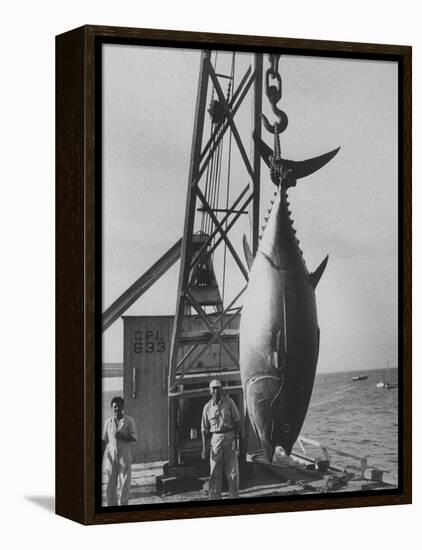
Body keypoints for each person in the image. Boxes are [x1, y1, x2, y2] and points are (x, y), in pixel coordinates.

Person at [201, 379, 241, 500]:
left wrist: (236, 438)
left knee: (233, 472)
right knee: (215, 472)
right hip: (215, 439)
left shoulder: (229, 402)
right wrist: (204, 448)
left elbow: (238, 420)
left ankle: (234, 497)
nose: (216, 390)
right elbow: (204, 429)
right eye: (213, 388)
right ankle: (214, 498)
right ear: (210, 391)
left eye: (218, 388)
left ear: (221, 389)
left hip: (230, 437)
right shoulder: (207, 407)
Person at [102, 396, 137, 506]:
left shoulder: (129, 421)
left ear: (123, 407)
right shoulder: (108, 422)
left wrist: (122, 436)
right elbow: (104, 440)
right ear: (112, 408)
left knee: (124, 486)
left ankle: (123, 507)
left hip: (124, 459)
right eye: (115, 406)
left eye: (119, 406)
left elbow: (134, 437)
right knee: (110, 486)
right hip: (111, 459)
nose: (117, 408)